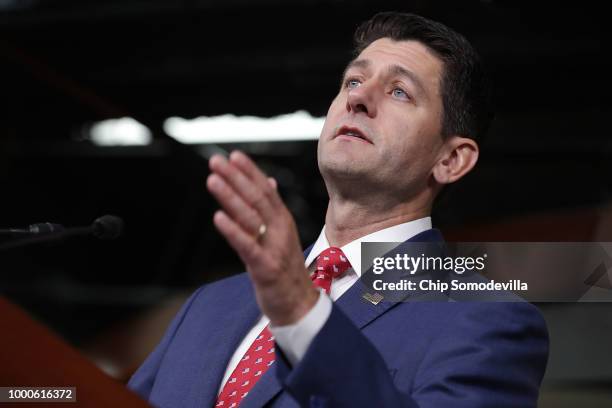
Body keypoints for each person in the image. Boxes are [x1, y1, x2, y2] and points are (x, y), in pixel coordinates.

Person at [128, 12, 549, 407]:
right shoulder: (209, 305)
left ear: (451, 160)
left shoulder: (487, 324)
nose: (359, 98)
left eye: (399, 91)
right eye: (352, 82)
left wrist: (301, 314)